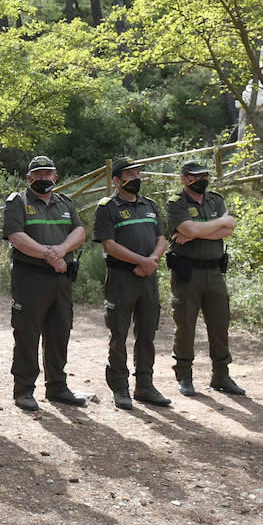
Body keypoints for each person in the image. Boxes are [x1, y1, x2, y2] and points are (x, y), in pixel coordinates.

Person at [1, 155, 88, 411]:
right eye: (37, 174)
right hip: (30, 278)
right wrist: (49, 255)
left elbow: (79, 232)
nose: (43, 178)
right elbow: (16, 237)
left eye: (47, 174)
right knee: (27, 333)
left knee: (60, 332)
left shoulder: (65, 203)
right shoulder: (17, 202)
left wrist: (60, 251)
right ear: (28, 178)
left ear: (55, 177)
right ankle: (24, 390)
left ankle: (57, 387)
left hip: (61, 279)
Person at [94, 158, 170, 410]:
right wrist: (141, 261)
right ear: (116, 180)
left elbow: (162, 238)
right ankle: (120, 387)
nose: (135, 176)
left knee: (147, 333)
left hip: (148, 279)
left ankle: (145, 386)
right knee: (119, 334)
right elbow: (109, 245)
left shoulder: (150, 205)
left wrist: (152, 261)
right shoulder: (107, 207)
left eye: (137, 172)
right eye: (129, 173)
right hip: (121, 279)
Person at [165, 160, 245, 397]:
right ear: (184, 179)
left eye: (205, 176)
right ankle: (185, 377)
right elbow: (192, 230)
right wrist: (209, 227)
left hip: (214, 271)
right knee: (185, 326)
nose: (202, 180)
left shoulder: (215, 199)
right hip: (187, 273)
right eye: (196, 177)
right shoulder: (176, 203)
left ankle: (221, 376)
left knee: (220, 324)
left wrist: (196, 231)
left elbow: (229, 229)